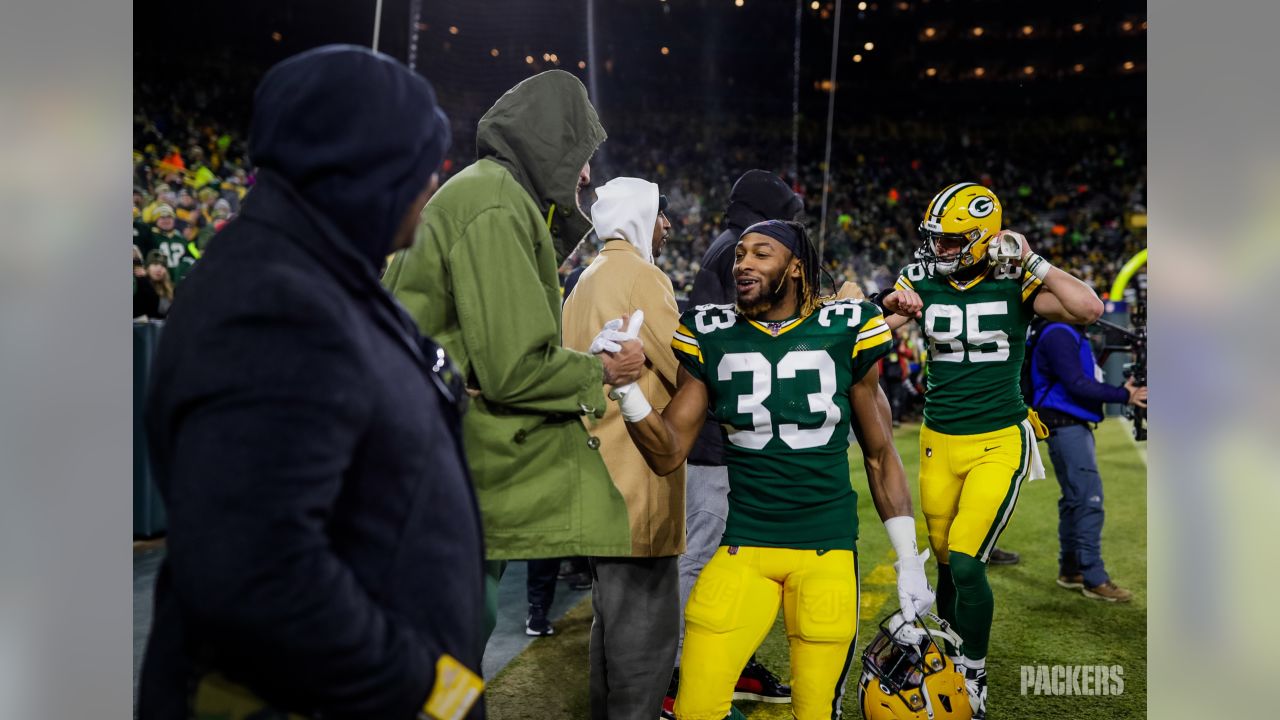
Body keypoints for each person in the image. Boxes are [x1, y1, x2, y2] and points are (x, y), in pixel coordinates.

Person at [138, 45, 486, 719]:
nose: (431, 187)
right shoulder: (274, 300)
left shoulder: (319, 271)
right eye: (422, 167)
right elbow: (257, 573)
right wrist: (430, 688)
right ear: (370, 170)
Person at [609, 219, 934, 720]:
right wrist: (627, 391)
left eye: (762, 254)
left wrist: (908, 559)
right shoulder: (708, 332)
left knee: (815, 711)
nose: (743, 263)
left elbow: (880, 452)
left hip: (825, 548)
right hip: (746, 544)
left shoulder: (848, 326)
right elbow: (668, 451)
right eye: (740, 254)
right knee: (694, 707)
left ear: (796, 268)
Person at [382, 69, 646, 646]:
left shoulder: (488, 193)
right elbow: (514, 369)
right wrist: (603, 370)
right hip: (438, 457)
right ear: (548, 142)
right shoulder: (496, 203)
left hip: (430, 446)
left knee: (449, 630)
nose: (584, 173)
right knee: (448, 637)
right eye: (579, 152)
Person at [880, 182, 1105, 719]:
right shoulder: (918, 280)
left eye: (954, 240)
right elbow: (869, 335)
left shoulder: (1015, 281)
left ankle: (973, 673)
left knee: (967, 560)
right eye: (937, 238)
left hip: (997, 440)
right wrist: (885, 308)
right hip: (938, 441)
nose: (941, 249)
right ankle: (950, 661)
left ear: (984, 239)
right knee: (947, 568)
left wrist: (1033, 258)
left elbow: (1088, 308)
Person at [667, 170, 802, 715]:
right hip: (713, 443)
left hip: (722, 439)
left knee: (728, 559)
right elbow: (731, 347)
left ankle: (726, 662)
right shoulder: (738, 255)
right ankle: (679, 676)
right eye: (787, 213)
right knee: (700, 558)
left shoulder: (729, 248)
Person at [562, 178, 685, 719]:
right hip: (638, 487)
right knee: (643, 649)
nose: (666, 225)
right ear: (640, 216)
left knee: (608, 634)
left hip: (591, 484)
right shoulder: (642, 276)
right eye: (660, 214)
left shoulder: (585, 278)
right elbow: (686, 368)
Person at [1029, 318, 1147, 602]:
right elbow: (1077, 384)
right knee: (1088, 499)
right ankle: (1093, 577)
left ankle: (1070, 569)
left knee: (1073, 499)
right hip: (1064, 423)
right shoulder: (1059, 332)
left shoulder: (1062, 331)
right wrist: (1124, 395)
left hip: (1066, 423)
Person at [144, 249, 175, 318]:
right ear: (147, 267)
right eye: (155, 264)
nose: (159, 269)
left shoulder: (171, 290)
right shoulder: (140, 286)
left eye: (163, 266)